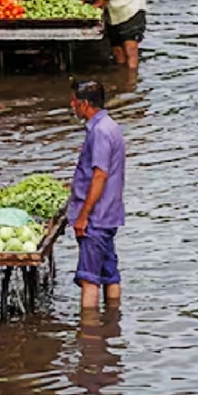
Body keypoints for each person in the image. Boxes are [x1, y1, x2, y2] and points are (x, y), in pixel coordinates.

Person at [67, 80, 127, 309]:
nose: (72, 105)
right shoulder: (111, 126)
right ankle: (113, 319)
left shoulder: (100, 132)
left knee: (89, 278)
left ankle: (89, 327)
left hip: (96, 217)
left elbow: (99, 176)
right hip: (109, 214)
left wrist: (83, 216)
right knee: (109, 273)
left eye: (74, 101)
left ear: (84, 104)